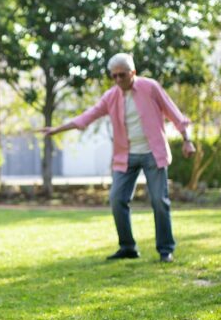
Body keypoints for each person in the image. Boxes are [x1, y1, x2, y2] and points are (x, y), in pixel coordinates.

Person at [40, 52, 196, 262]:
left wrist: (187, 139)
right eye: (114, 76)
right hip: (126, 155)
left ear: (133, 72)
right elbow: (87, 116)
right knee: (116, 199)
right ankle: (127, 247)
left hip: (153, 153)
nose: (118, 80)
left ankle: (165, 250)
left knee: (159, 201)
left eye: (122, 75)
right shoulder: (111, 96)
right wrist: (58, 129)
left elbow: (173, 112)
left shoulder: (150, 87)